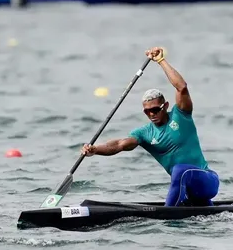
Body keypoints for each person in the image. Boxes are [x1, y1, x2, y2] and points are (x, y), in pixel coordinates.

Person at [81, 47, 220, 207]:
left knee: (180, 171)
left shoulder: (181, 115)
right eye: (147, 111)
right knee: (182, 178)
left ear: (165, 106)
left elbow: (181, 87)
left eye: (155, 109)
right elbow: (119, 144)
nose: (151, 114)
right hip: (189, 192)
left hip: (207, 181)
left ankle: (168, 216)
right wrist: (95, 149)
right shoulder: (145, 133)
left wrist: (161, 61)